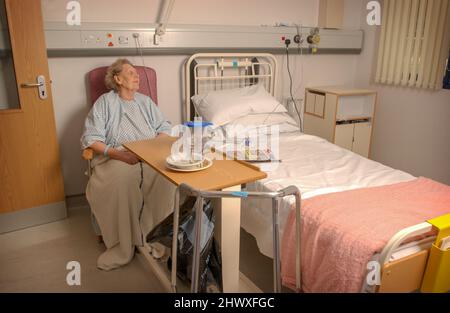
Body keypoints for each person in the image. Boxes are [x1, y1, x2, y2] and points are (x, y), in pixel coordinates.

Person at [81, 58, 175, 270]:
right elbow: (91, 138)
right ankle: (124, 244)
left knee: (168, 179)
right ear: (118, 79)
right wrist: (121, 156)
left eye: (136, 73)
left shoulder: (145, 102)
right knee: (123, 182)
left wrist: (155, 145)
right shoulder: (105, 103)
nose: (137, 76)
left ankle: (155, 237)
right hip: (117, 155)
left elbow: (164, 125)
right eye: (131, 73)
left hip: (149, 155)